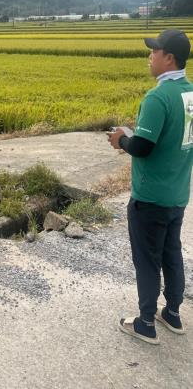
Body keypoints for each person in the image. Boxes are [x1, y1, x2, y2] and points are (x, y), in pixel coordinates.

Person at [108, 29, 192, 345]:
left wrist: (121, 139)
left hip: (151, 197)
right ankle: (172, 313)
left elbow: (143, 147)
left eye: (154, 50)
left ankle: (145, 322)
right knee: (171, 252)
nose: (150, 55)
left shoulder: (158, 97)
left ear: (169, 57)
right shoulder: (190, 94)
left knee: (146, 259)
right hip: (178, 193)